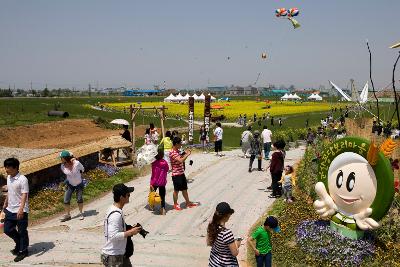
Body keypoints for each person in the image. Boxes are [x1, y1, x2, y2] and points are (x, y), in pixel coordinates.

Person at [101, 184, 142, 267]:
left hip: (120, 254)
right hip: (114, 257)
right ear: (121, 197)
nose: (129, 196)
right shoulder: (115, 215)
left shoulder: (114, 209)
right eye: (128, 195)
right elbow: (113, 236)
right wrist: (130, 232)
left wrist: (129, 228)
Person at [2, 158, 30, 262]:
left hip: (20, 210)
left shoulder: (23, 179)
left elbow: (24, 195)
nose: (6, 169)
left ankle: (23, 251)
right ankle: (19, 243)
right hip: (10, 209)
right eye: (5, 167)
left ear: (15, 168)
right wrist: (5, 203)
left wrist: (21, 209)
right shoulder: (9, 177)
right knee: (7, 229)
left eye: (8, 167)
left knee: (22, 231)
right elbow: (10, 191)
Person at [207, 202, 241, 267]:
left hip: (213, 263)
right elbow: (235, 253)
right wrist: (237, 244)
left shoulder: (211, 225)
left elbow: (209, 243)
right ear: (227, 215)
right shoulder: (227, 233)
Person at [169, 137, 197, 210]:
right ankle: (175, 204)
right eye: (180, 144)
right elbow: (180, 160)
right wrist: (187, 154)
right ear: (176, 144)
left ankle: (188, 202)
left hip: (181, 173)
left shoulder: (178, 151)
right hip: (176, 174)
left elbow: (182, 157)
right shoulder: (172, 152)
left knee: (185, 189)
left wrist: (186, 153)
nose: (181, 145)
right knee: (176, 190)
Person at [59, 150, 85, 222]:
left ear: (65, 158)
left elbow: (82, 169)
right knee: (66, 200)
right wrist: (64, 183)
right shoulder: (62, 166)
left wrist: (81, 174)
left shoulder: (76, 163)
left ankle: (81, 213)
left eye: (61, 158)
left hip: (79, 184)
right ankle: (68, 215)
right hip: (70, 184)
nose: (60, 159)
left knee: (79, 199)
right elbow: (67, 175)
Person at [150, 150, 169, 215]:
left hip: (154, 182)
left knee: (152, 194)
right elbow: (167, 170)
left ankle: (152, 205)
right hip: (162, 182)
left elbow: (153, 173)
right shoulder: (165, 162)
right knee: (162, 196)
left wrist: (151, 183)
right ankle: (162, 209)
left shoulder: (153, 163)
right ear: (162, 155)